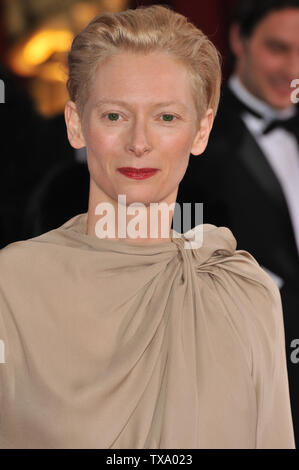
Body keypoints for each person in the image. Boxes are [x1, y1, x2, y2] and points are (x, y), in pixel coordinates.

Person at [0, 5, 295, 449]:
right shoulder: (12, 285)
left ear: (201, 131)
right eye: (114, 116)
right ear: (76, 124)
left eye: (167, 117)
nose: (139, 143)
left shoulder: (244, 290)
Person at [176, 0, 299, 446]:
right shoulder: (191, 138)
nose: (294, 68)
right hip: (243, 367)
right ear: (237, 41)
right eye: (278, 48)